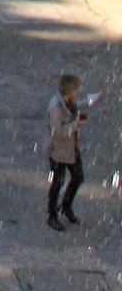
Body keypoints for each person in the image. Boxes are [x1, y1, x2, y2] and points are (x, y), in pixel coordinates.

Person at [47, 71, 91, 229]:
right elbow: (57, 132)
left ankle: (65, 206)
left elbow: (74, 107)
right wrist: (76, 125)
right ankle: (52, 215)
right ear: (70, 91)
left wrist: (88, 102)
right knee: (57, 183)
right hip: (58, 151)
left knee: (78, 177)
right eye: (76, 88)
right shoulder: (56, 108)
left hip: (69, 148)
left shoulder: (66, 102)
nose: (77, 91)